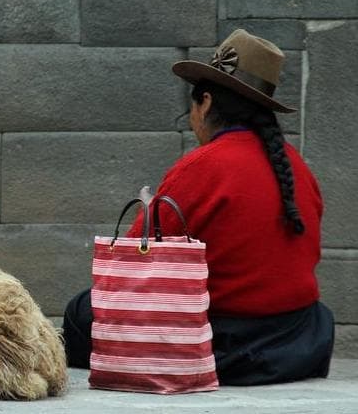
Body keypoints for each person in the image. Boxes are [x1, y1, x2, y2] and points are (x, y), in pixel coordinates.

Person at [62, 29, 334, 385]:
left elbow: (129, 269)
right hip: (299, 341)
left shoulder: (203, 166)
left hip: (224, 343)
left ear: (205, 103)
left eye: (192, 107)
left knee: (81, 312)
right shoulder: (297, 167)